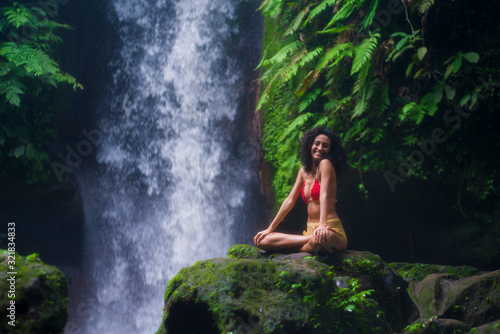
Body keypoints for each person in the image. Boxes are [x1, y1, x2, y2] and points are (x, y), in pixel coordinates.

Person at [254, 126, 348, 254]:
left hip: (329, 228)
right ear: (310, 145)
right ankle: (308, 241)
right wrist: (270, 229)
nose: (320, 148)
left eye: (325, 146)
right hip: (310, 232)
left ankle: (294, 246)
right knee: (262, 240)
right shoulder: (304, 171)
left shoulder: (325, 164)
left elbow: (324, 195)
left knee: (320, 241)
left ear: (330, 150)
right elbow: (290, 200)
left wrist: (322, 225)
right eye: (317, 143)